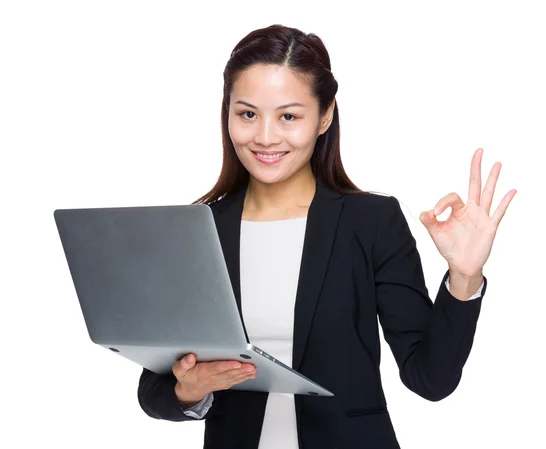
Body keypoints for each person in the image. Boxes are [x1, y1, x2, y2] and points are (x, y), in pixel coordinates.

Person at [137, 24, 516, 449]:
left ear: (325, 115)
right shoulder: (200, 229)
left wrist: (464, 279)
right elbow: (154, 390)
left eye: (288, 116)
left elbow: (430, 379)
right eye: (247, 114)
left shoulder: (372, 220)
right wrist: (191, 388)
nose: (264, 136)